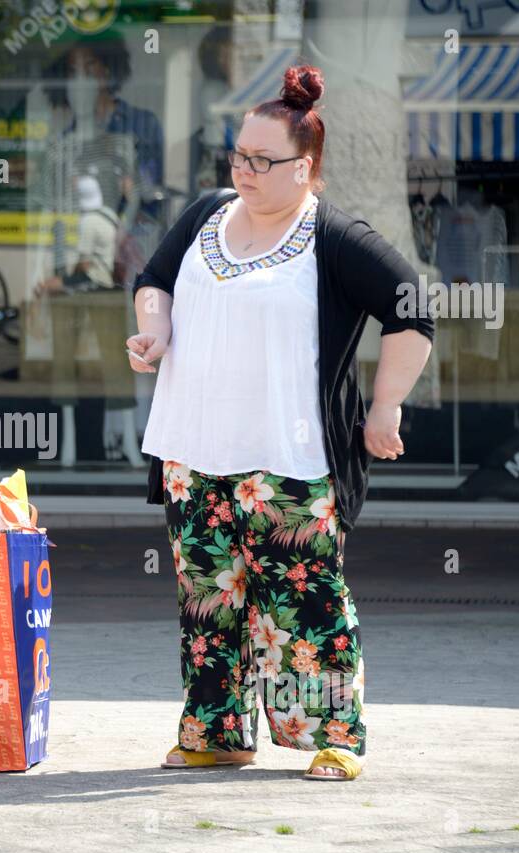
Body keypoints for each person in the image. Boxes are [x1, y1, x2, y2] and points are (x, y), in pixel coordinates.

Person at [127, 66, 434, 781]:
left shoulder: (330, 236)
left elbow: (411, 304)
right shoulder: (207, 212)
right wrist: (156, 330)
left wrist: (386, 404)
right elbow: (155, 281)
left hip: (289, 462)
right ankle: (215, 733)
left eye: (263, 161)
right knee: (208, 603)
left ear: (306, 168)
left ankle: (333, 736)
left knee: (304, 607)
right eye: (239, 155)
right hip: (193, 454)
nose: (245, 171)